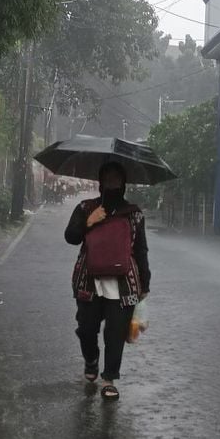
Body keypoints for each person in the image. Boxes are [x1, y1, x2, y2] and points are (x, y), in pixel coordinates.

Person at [64, 161, 150, 400]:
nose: (112, 184)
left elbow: (141, 251)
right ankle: (91, 360)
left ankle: (109, 378)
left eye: (117, 179)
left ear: (124, 183)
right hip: (88, 282)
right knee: (86, 328)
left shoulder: (134, 215)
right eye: (108, 179)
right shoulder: (85, 208)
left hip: (124, 286)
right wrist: (89, 221)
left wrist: (145, 284)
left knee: (115, 333)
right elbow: (70, 237)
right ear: (101, 182)